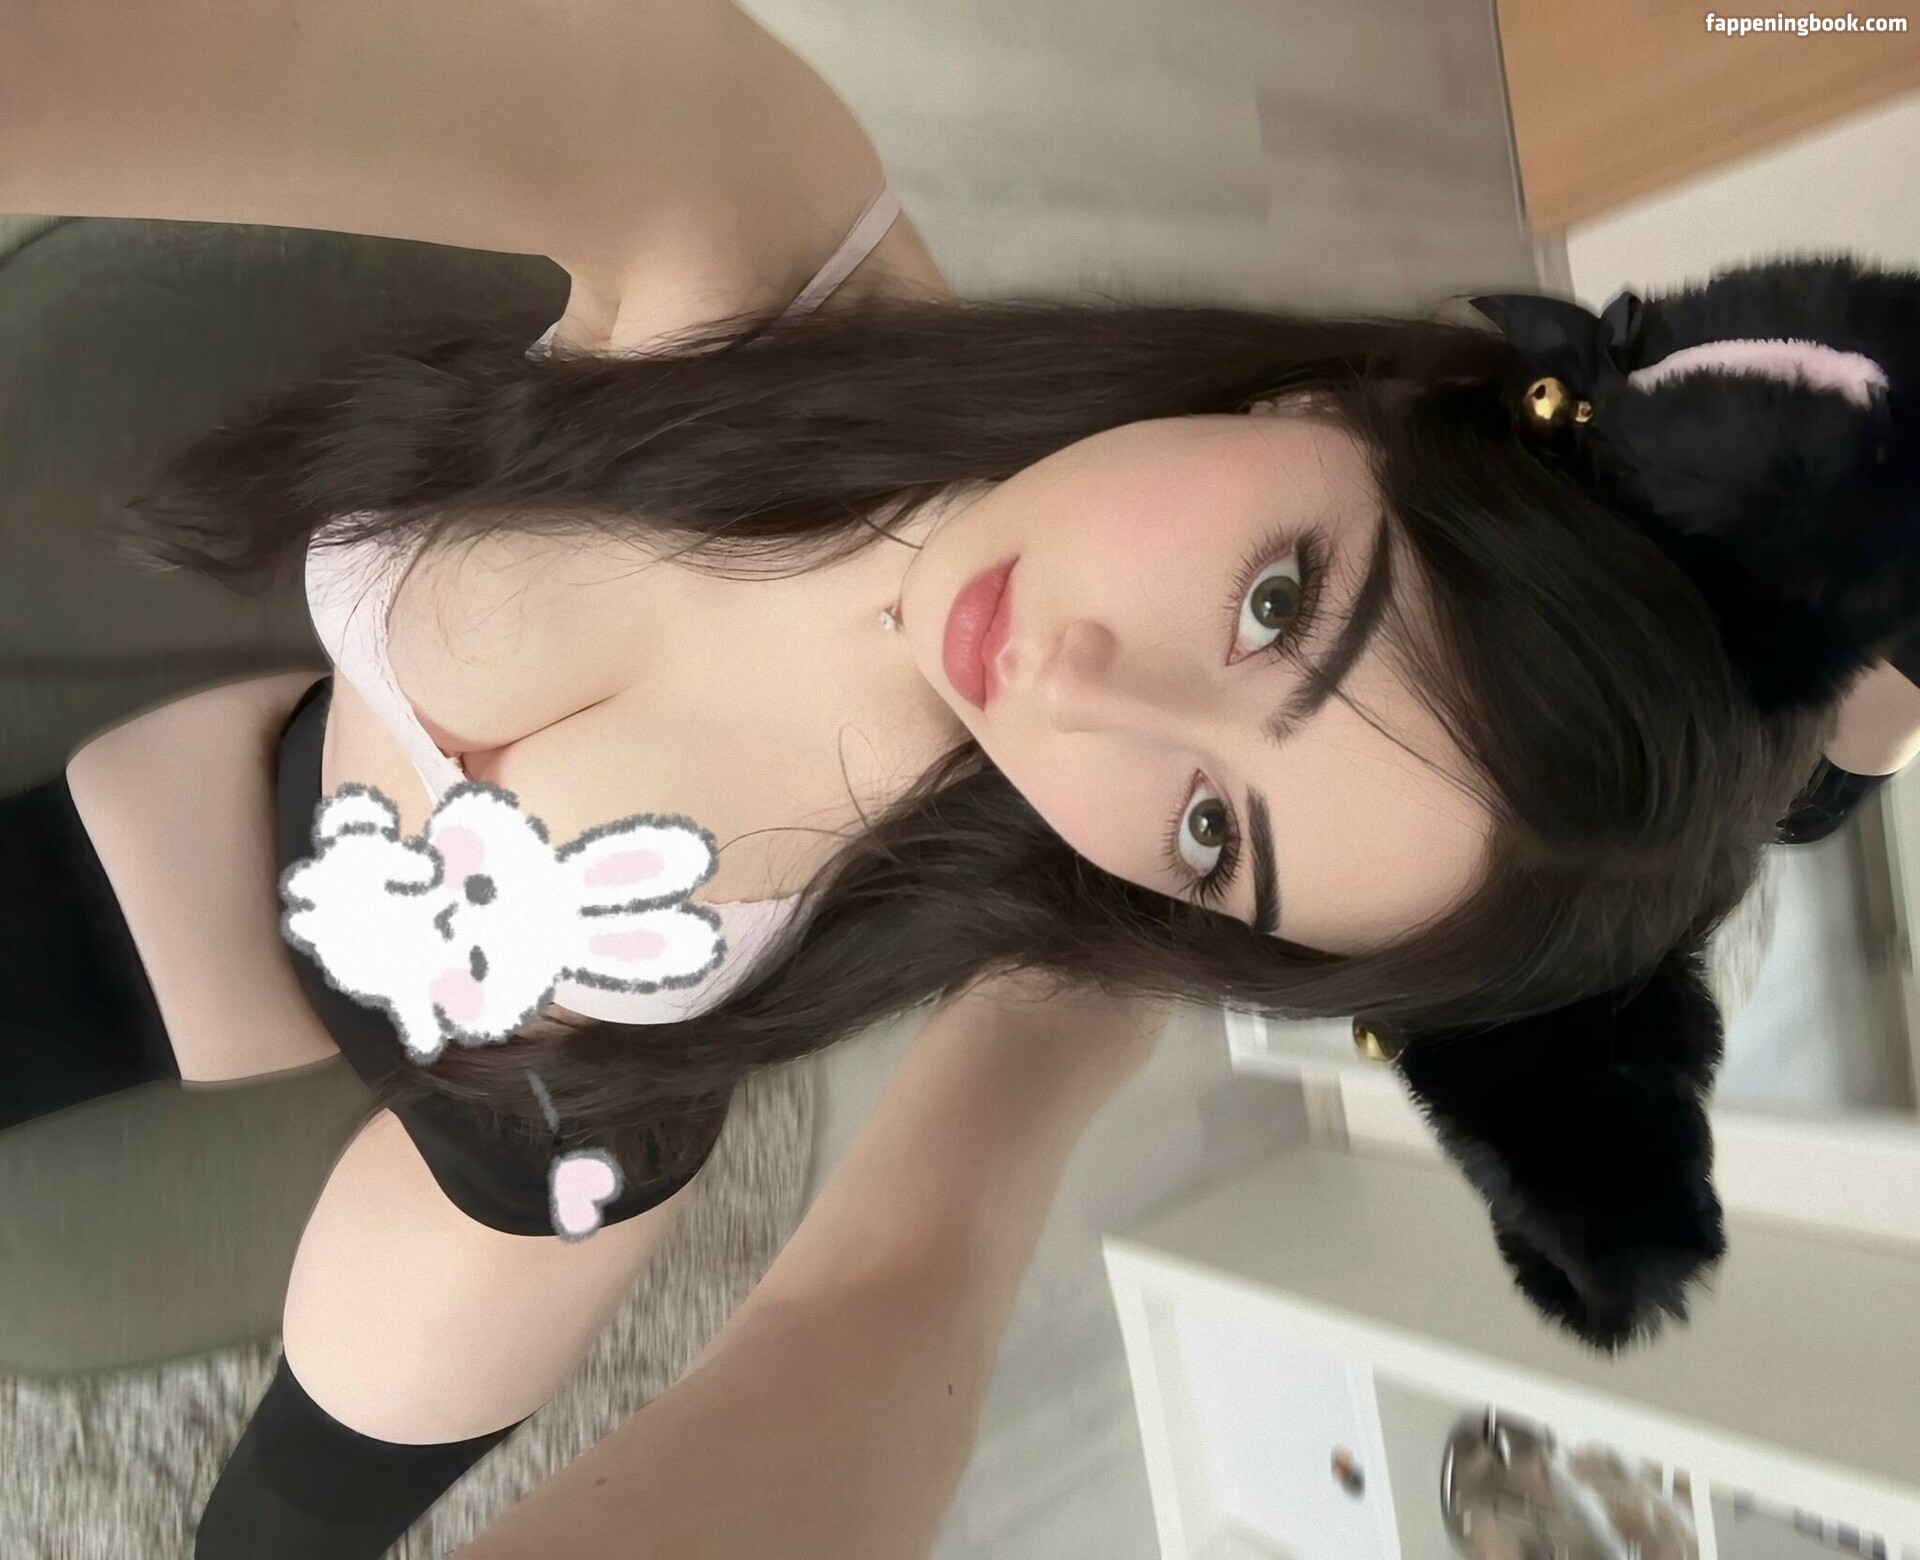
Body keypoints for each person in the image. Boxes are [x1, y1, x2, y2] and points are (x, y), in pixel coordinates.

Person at [6, 0, 1920, 1553]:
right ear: (1353, 400)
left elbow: (875, 1341)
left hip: (533, 1138)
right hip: (236, 839)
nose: (1080, 697)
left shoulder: (1058, 926)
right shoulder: (753, 217)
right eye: (1277, 603)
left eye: (1209, 831)